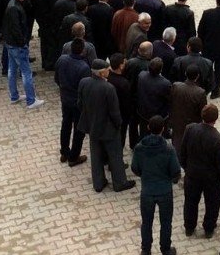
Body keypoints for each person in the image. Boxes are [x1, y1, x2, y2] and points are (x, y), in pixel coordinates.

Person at [79, 58, 135, 193]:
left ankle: (98, 183)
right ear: (102, 73)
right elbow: (114, 111)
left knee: (96, 155)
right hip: (109, 128)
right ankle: (120, 182)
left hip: (92, 125)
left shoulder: (84, 82)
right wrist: (119, 124)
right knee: (115, 156)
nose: (109, 71)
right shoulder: (108, 88)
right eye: (107, 70)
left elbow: (80, 104)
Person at [131, 115, 182, 255]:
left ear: (148, 128)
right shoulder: (168, 148)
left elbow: (134, 168)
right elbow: (176, 170)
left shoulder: (140, 147)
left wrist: (145, 175)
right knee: (166, 222)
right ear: (163, 129)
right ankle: (165, 249)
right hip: (165, 191)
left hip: (147, 191)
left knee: (146, 222)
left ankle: (145, 250)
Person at [180, 103, 220, 239]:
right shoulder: (217, 138)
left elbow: (182, 152)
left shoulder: (190, 129)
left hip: (192, 174)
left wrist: (187, 168)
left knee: (190, 201)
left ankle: (189, 227)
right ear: (216, 119)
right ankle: (208, 228)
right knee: (212, 203)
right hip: (211, 179)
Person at [54, 37, 91, 166]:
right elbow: (85, 89)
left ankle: (64, 151)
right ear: (82, 51)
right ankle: (74, 156)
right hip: (77, 102)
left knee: (65, 124)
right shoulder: (84, 67)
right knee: (78, 129)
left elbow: (56, 78)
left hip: (65, 99)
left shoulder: (62, 59)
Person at [169, 64, 207, 154]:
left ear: (185, 73)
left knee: (177, 142)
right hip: (191, 123)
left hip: (177, 120)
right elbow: (202, 111)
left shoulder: (176, 86)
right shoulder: (200, 92)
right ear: (197, 76)